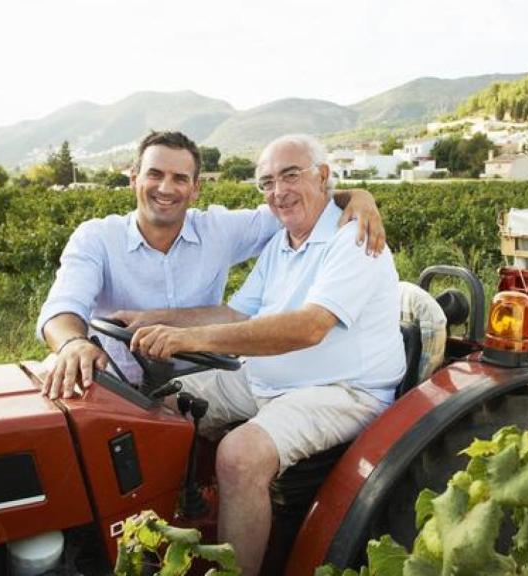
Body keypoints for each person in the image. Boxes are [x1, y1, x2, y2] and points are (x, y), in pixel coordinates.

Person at [128, 134, 405, 575]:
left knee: (240, 455)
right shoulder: (282, 242)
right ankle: (174, 527)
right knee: (160, 405)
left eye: (290, 176)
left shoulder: (353, 239)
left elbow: (310, 326)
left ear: (323, 177)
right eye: (267, 182)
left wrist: (191, 340)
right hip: (265, 378)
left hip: (343, 389)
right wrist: (154, 319)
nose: (279, 191)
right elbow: (235, 313)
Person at [36, 130, 386, 399]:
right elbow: (63, 309)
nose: (166, 188)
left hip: (197, 376)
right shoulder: (96, 237)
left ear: (195, 188)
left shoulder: (219, 230)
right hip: (113, 384)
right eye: (155, 174)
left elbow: (296, 203)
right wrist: (72, 344)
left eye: (180, 178)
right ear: (134, 179)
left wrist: (358, 196)